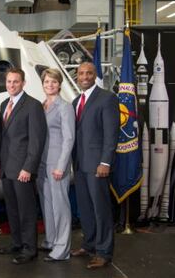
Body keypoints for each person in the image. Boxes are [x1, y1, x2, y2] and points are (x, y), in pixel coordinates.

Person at [71, 62, 120, 269]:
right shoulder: (76, 101)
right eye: (81, 73)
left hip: (98, 165)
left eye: (89, 73)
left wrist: (105, 161)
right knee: (86, 208)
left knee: (101, 210)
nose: (85, 76)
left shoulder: (107, 98)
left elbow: (111, 133)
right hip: (80, 165)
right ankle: (89, 244)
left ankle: (104, 252)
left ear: (94, 75)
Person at [0, 68, 47, 264]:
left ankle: (29, 249)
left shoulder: (33, 105)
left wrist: (28, 168)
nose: (12, 85)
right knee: (12, 208)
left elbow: (37, 140)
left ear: (23, 83)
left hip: (22, 169)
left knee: (26, 210)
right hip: (7, 168)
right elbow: (3, 138)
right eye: (9, 81)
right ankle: (17, 243)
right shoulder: (4, 104)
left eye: (15, 82)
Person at [36, 68, 75, 262]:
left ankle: (62, 249)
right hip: (42, 162)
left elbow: (69, 139)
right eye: (46, 82)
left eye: (53, 81)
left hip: (57, 163)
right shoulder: (43, 105)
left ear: (59, 84)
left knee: (60, 206)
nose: (49, 85)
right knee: (47, 204)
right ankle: (51, 240)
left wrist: (61, 165)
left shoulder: (65, 106)